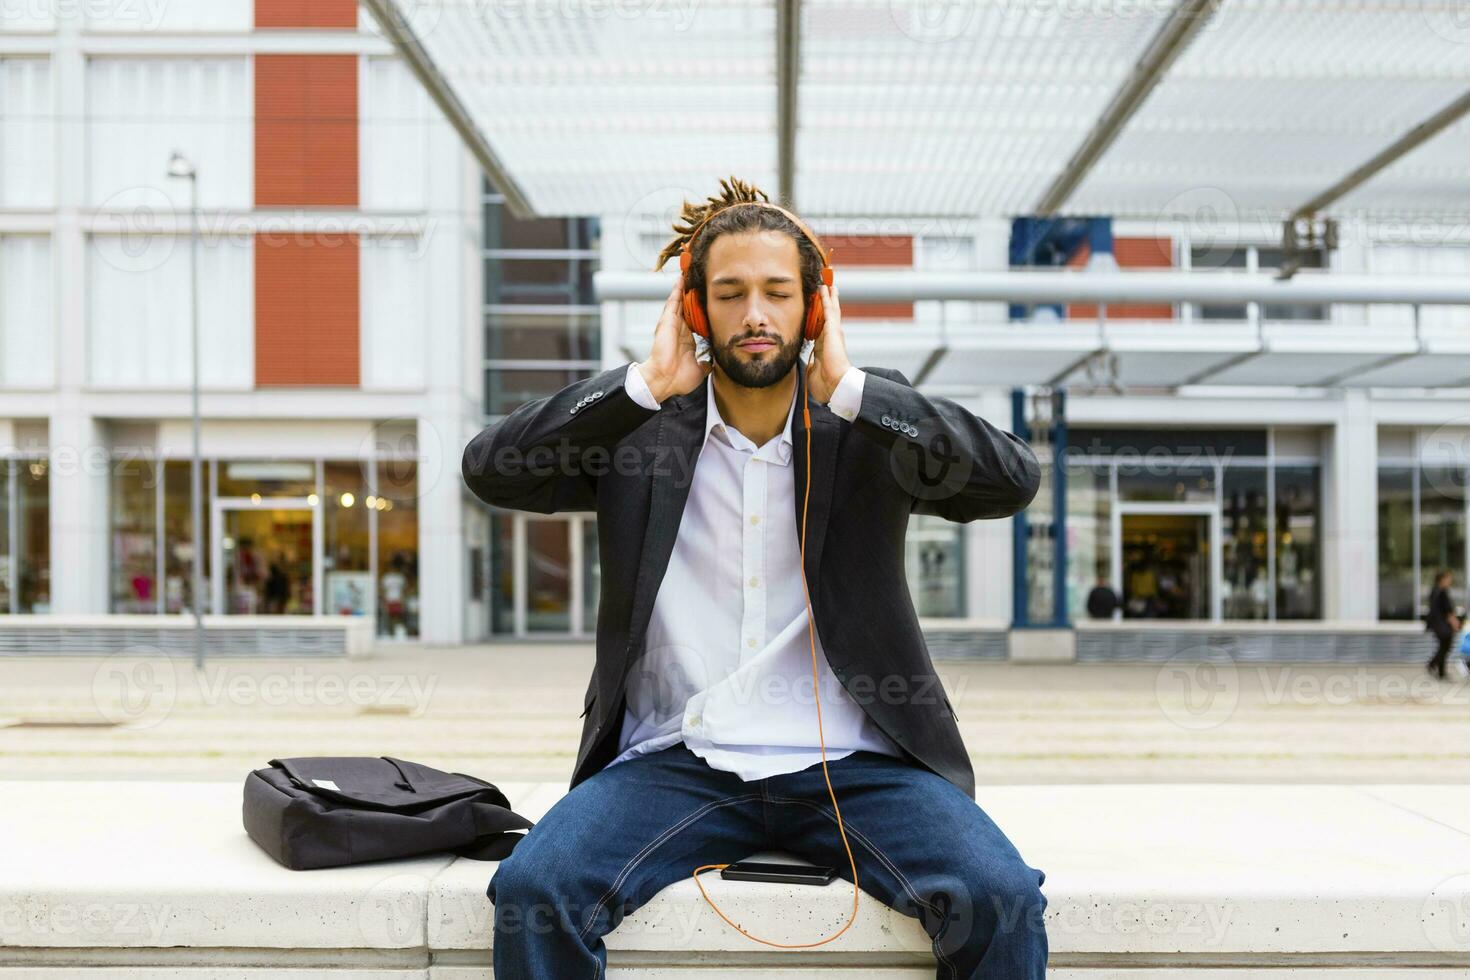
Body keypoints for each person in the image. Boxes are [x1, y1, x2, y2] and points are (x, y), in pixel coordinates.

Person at [463, 176, 1048, 978]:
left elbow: (1012, 479)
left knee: (1001, 897)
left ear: (815, 307)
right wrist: (639, 385)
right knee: (536, 891)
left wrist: (854, 390)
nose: (756, 315)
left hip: (856, 767)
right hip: (675, 762)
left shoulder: (869, 426)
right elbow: (493, 471)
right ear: (695, 310)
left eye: (778, 292)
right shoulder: (639, 435)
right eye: (730, 294)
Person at [1426, 569, 1461, 680]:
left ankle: (1438, 670)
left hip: (1436, 624)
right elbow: (1448, 611)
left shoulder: (1434, 591)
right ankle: (1434, 665)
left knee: (1443, 646)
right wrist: (1455, 623)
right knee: (1446, 646)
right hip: (1442, 624)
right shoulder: (1442, 592)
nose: (1450, 580)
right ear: (1442, 579)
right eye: (1448, 578)